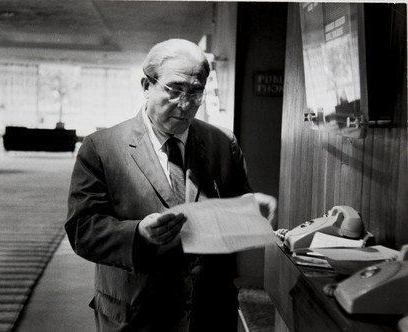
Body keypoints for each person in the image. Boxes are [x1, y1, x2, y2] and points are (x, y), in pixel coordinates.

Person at [65, 38, 277, 332]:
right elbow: (82, 230)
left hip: (209, 313)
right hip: (137, 314)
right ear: (145, 85)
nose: (185, 104)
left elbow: (237, 214)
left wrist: (251, 213)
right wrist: (137, 233)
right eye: (174, 90)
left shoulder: (221, 144)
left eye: (195, 92)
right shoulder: (101, 148)